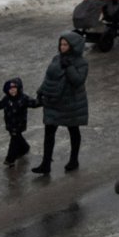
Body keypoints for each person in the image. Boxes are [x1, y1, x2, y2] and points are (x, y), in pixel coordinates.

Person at [33, 33, 87, 174]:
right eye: (61, 44)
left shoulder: (81, 63)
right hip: (54, 102)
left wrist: (69, 67)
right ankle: (45, 164)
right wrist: (41, 91)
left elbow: (78, 81)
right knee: (49, 132)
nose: (62, 47)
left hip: (71, 104)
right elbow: (48, 78)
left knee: (73, 130)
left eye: (65, 45)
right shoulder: (56, 59)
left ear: (73, 46)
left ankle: (73, 160)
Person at [0, 77, 41, 166]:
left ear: (18, 88)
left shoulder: (23, 98)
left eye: (14, 88)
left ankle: (10, 159)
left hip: (19, 125)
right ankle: (25, 148)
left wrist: (43, 99)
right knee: (17, 138)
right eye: (10, 89)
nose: (12, 91)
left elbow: (34, 103)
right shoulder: (6, 99)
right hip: (10, 124)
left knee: (14, 141)